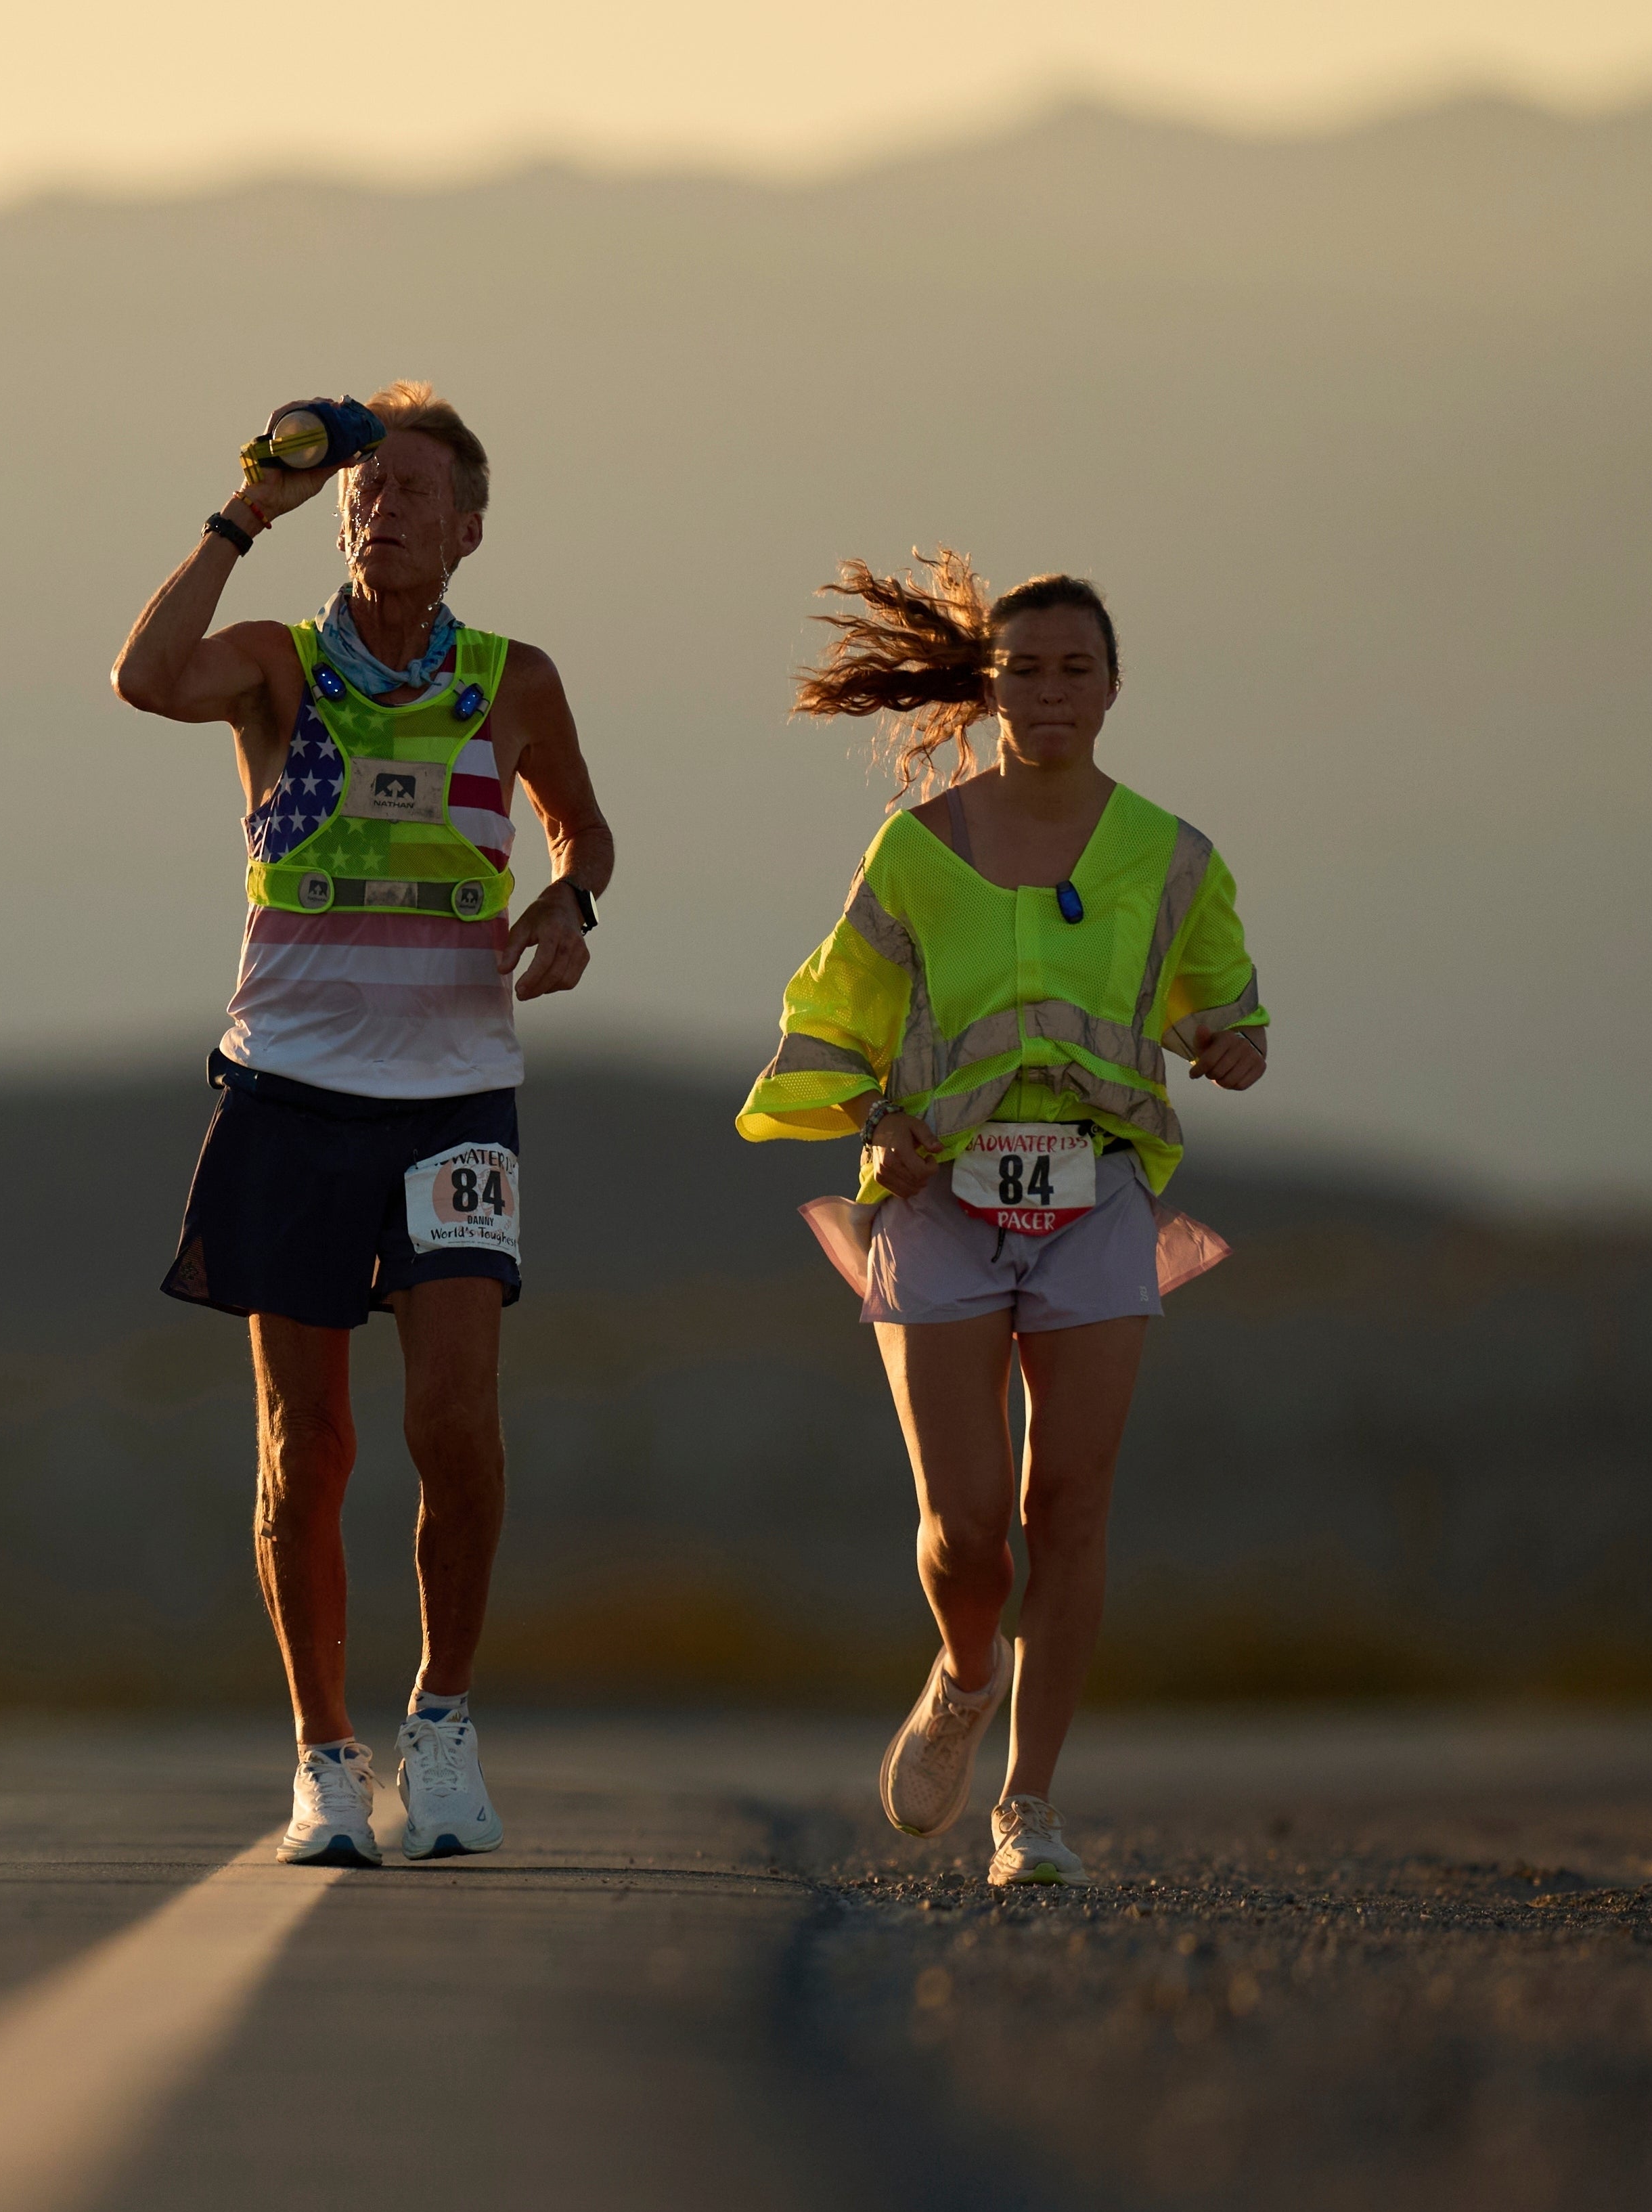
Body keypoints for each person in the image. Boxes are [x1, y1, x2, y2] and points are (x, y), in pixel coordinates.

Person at [108, 383, 616, 1866]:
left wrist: (572, 905)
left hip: (454, 1092)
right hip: (290, 1088)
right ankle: (324, 1757)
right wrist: (236, 517)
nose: (383, 509)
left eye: (414, 492)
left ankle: (442, 1725)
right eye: (364, 490)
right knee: (306, 1443)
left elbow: (585, 828)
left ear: (467, 529)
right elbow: (143, 680)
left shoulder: (517, 679)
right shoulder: (276, 665)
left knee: (454, 1423)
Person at [735, 551, 1268, 1887]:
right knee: (968, 1533)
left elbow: (1227, 1007)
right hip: (945, 1208)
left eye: (1074, 669)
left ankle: (1029, 1808)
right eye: (1023, 669)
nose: (1048, 691)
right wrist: (877, 1124)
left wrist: (1225, 1042)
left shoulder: (1173, 855)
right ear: (988, 687)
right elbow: (835, 1015)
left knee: (1069, 1510)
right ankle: (966, 1674)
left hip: (1097, 1197)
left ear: (1113, 687)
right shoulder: (917, 850)